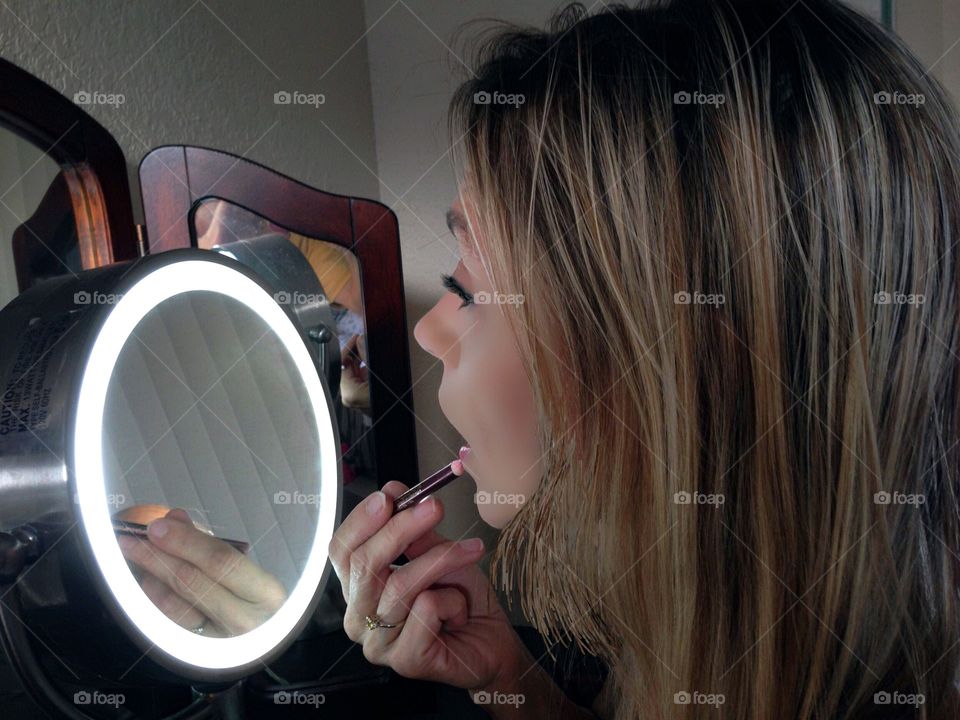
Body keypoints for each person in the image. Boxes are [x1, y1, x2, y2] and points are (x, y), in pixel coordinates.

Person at [328, 1, 960, 718]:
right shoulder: (657, 641)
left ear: (680, 362)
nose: (428, 333)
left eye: (466, 290)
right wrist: (506, 673)